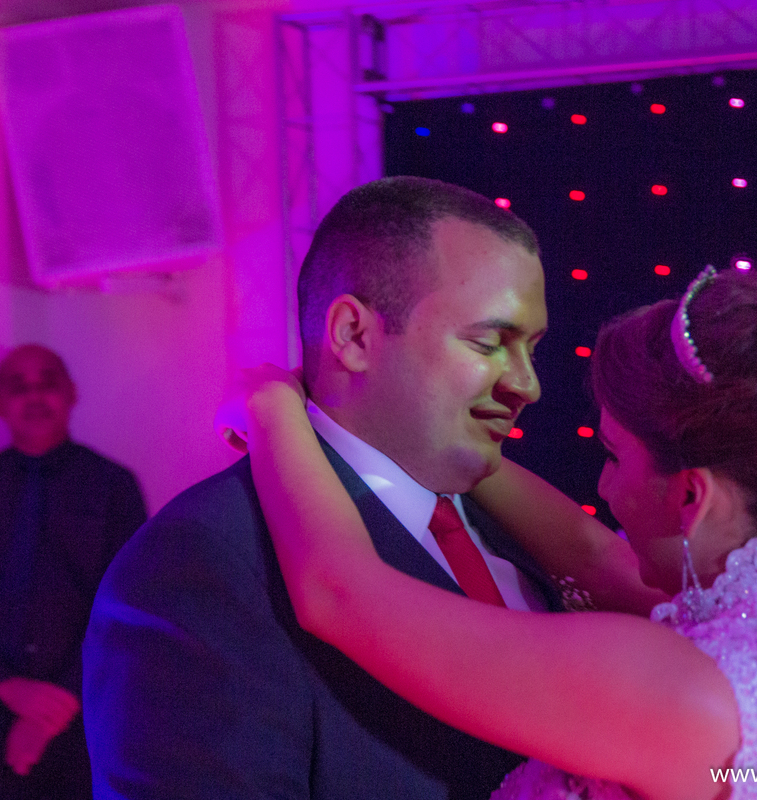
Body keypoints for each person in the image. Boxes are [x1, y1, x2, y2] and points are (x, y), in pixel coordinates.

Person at [241, 266, 757, 799]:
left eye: (613, 456)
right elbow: (594, 556)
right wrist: (445, 441)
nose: (601, 489)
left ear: (690, 495)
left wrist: (269, 406)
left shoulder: (673, 686)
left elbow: (339, 594)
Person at [83, 177, 655, 799]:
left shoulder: (523, 537)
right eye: (491, 342)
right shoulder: (204, 563)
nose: (527, 385)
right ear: (354, 336)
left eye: (531, 349)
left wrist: (273, 407)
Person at [0, 344, 147, 800]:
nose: (35, 397)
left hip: (92, 711)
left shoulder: (113, 487)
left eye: (48, 383)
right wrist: (9, 689)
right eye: (18, 387)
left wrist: (59, 702)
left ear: (71, 393)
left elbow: (131, 602)